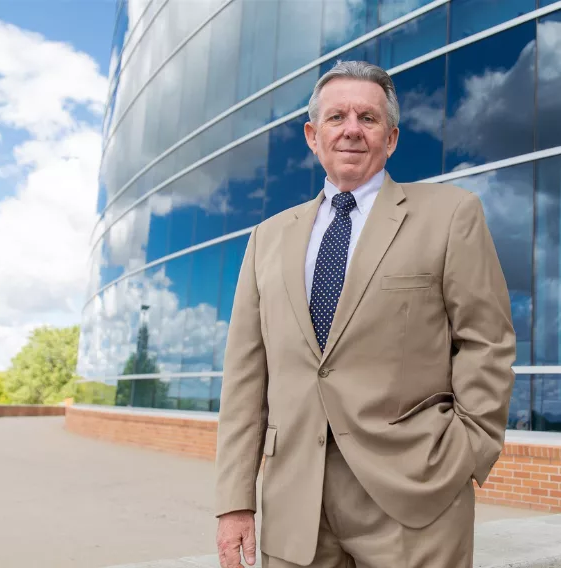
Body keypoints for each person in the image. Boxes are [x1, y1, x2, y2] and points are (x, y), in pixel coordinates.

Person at [214, 60, 516, 568]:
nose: (351, 129)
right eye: (336, 118)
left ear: (391, 138)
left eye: (368, 118)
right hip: (294, 506)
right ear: (313, 136)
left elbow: (487, 342)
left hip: (414, 499)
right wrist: (234, 500)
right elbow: (245, 377)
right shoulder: (266, 238)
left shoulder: (451, 215)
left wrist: (468, 448)